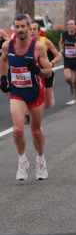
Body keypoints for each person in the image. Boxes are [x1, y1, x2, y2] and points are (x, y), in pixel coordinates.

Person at [0, 14, 52, 180]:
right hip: (17, 92)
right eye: (17, 27)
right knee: (18, 129)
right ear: (13, 28)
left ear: (29, 28)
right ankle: (22, 161)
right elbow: (3, 60)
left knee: (36, 131)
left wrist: (37, 70)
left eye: (23, 26)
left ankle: (40, 160)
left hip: (35, 92)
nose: (20, 30)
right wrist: (2, 78)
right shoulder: (8, 46)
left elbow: (48, 71)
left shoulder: (38, 47)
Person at [29, 22, 61, 108]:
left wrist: (51, 63)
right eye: (30, 29)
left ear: (39, 31)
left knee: (47, 105)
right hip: (33, 73)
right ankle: (30, 113)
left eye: (34, 29)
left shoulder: (46, 42)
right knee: (32, 97)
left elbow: (58, 56)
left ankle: (49, 97)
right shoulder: (26, 43)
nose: (32, 31)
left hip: (46, 73)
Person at [59, 19, 76, 103]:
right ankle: (70, 85)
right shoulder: (64, 34)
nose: (70, 25)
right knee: (68, 78)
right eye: (68, 24)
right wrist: (61, 49)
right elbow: (60, 42)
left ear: (75, 26)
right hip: (67, 59)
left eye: (72, 24)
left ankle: (75, 96)